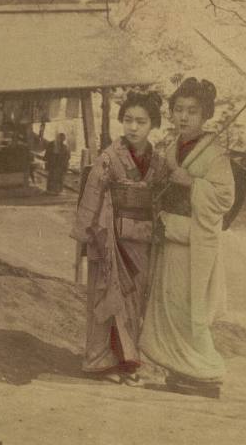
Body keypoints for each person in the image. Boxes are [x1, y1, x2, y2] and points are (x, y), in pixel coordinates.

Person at [140, 77, 235, 398]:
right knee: (169, 303)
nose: (184, 117)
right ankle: (181, 371)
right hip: (170, 234)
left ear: (205, 115)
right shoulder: (172, 147)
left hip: (193, 241)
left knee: (188, 308)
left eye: (192, 111)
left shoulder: (214, 153)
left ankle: (206, 373)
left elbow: (224, 198)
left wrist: (192, 183)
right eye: (178, 109)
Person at [71, 91, 167, 384]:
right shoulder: (109, 158)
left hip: (142, 240)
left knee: (133, 303)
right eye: (128, 120)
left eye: (141, 121)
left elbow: (163, 200)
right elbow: (91, 195)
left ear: (153, 124)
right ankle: (99, 360)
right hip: (109, 236)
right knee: (105, 296)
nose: (133, 127)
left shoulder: (160, 162)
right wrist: (87, 235)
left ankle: (127, 361)